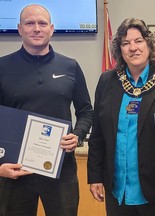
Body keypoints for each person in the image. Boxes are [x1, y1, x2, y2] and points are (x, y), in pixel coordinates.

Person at [88, 18, 155, 216]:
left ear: (149, 44)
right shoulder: (107, 81)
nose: (133, 48)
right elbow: (98, 134)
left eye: (138, 41)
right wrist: (95, 177)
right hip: (117, 191)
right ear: (119, 50)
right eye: (125, 43)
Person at [0, 4, 93, 216]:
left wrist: (77, 135)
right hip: (14, 170)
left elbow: (86, 111)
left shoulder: (70, 66)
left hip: (60, 168)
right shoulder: (2, 67)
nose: (36, 28)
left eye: (42, 23)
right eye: (29, 23)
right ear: (19, 29)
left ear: (51, 28)